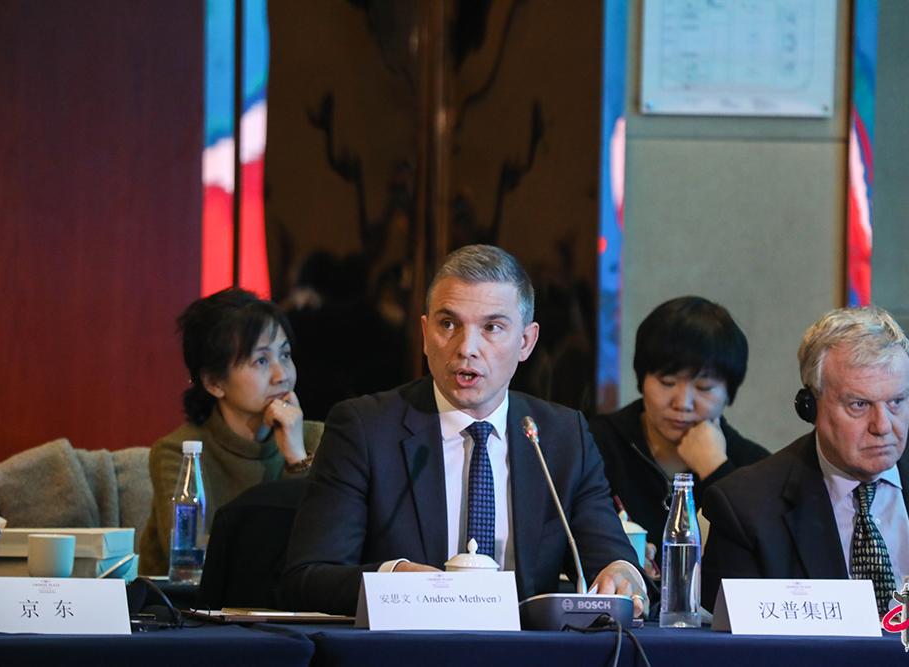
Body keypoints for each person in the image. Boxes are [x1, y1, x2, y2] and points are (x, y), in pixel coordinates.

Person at [280, 244, 647, 615]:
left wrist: (622, 573)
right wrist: (394, 578)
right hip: (411, 643)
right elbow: (308, 578)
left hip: (527, 645)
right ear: (425, 334)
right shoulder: (365, 429)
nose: (466, 348)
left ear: (526, 342)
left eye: (492, 328)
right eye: (448, 324)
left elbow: (610, 558)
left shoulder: (561, 436)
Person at [701, 306, 909, 613]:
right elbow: (728, 638)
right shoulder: (747, 508)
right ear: (810, 407)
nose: (882, 426)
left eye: (896, 402)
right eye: (859, 405)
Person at [139, 288, 324, 575]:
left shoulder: (317, 439)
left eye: (285, 355)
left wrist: (297, 459)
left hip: (289, 598)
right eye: (261, 361)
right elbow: (192, 560)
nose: (282, 375)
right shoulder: (180, 452)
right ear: (214, 382)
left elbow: (323, 546)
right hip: (194, 601)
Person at [589, 297, 768, 569]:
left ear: (729, 393)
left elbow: (764, 560)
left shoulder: (755, 467)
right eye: (667, 382)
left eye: (704, 387)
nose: (682, 403)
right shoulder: (595, 444)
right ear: (642, 379)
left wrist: (717, 471)